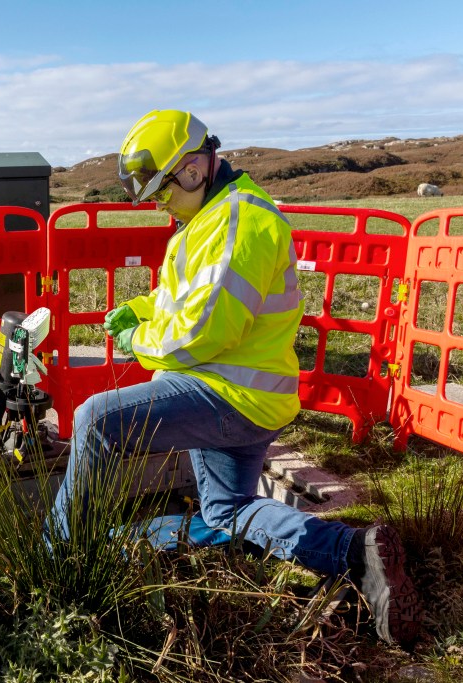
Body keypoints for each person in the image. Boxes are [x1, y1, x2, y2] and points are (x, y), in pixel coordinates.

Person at [49, 110, 421, 647]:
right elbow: (188, 299)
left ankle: (56, 559)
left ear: (194, 169)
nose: (159, 204)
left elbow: (206, 329)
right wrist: (141, 308)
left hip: (228, 394)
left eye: (162, 191)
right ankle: (356, 553)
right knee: (228, 513)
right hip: (243, 396)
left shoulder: (239, 221)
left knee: (95, 421)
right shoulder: (209, 218)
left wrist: (139, 340)